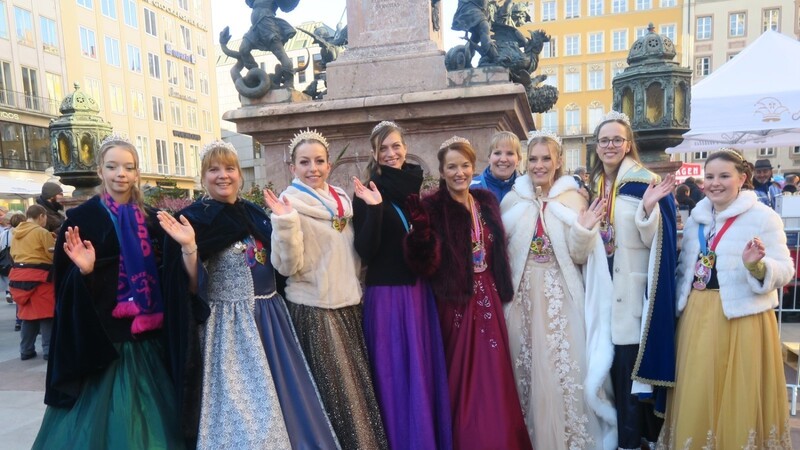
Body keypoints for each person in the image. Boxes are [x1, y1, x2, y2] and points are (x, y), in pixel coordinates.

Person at [160, 140, 338, 449]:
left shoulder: (256, 214)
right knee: (246, 419)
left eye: (230, 168)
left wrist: (286, 223)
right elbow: (188, 289)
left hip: (271, 322)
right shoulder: (193, 220)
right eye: (214, 169)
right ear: (203, 177)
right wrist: (190, 248)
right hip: (228, 331)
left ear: (240, 175)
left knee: (288, 403)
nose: (223, 176)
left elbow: (283, 265)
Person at [32, 136, 183, 449]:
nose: (121, 174)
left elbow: (170, 274)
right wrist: (84, 271)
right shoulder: (81, 219)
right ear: (100, 170)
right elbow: (62, 284)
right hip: (104, 338)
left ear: (137, 172)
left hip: (148, 337)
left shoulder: (153, 220)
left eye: (128, 167)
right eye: (112, 166)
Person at [658, 149, 794, 448]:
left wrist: (756, 266)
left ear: (742, 178)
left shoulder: (763, 217)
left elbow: (785, 269)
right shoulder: (697, 217)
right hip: (697, 315)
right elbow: (685, 270)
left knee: (739, 394)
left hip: (742, 319)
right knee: (698, 390)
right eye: (709, 177)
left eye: (724, 176)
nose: (715, 183)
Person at [405, 136, 532, 450]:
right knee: (460, 377)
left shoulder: (486, 201)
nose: (459, 172)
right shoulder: (432, 206)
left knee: (494, 373)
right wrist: (420, 233)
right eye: (451, 167)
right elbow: (425, 264)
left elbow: (498, 249)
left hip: (488, 292)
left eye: (464, 165)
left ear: (473, 166)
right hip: (454, 302)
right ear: (442, 170)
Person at [266, 128, 388, 450]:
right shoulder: (288, 205)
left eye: (319, 161)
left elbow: (357, 254)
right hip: (316, 310)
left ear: (329, 164)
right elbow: (286, 267)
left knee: (356, 394)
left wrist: (374, 211)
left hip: (348, 307)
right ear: (292, 167)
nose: (313, 169)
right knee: (336, 396)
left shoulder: (341, 200)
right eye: (304, 162)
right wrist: (286, 223)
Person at [501, 131, 616, 449]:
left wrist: (583, 229)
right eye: (534, 159)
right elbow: (504, 253)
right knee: (527, 371)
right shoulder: (513, 200)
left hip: (560, 297)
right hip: (523, 298)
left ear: (559, 161)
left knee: (559, 371)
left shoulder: (573, 199)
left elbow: (580, 257)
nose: (539, 165)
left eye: (546, 158)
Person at [352, 121, 452, 450]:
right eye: (384, 148)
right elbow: (365, 251)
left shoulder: (414, 189)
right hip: (387, 295)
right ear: (375, 154)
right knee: (394, 375)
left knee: (421, 372)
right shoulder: (367, 191)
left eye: (396, 146)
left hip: (418, 293)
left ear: (405, 148)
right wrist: (375, 208)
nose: (391, 153)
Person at [589, 111, 678, 450]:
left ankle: (631, 443)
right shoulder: (596, 185)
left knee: (629, 383)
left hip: (632, 296)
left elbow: (658, 243)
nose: (610, 145)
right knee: (607, 378)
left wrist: (646, 212)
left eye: (617, 139)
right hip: (602, 291)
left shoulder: (646, 181)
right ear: (596, 147)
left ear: (628, 145)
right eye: (604, 140)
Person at [9, 205, 55, 361]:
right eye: (45, 217)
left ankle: (26, 350)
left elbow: (13, 254)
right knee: (46, 314)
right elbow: (52, 256)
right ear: (41, 216)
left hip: (18, 277)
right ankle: (48, 350)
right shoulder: (42, 232)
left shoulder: (15, 233)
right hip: (40, 277)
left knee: (27, 316)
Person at [470, 130, 522, 201]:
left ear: (518, 159)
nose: (503, 159)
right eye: (497, 153)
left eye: (510, 153)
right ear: (489, 158)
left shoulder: (527, 189)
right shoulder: (471, 187)